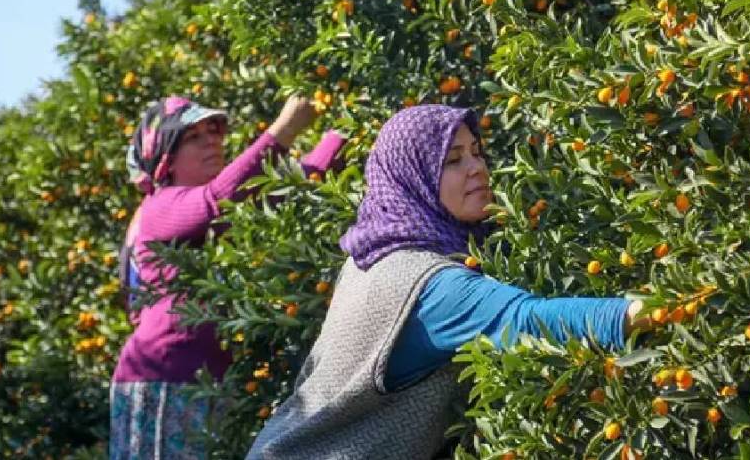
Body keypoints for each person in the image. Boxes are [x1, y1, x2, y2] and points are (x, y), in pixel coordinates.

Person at [246, 104, 648, 460]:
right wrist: (651, 310)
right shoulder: (430, 286)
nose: (476, 167)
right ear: (413, 176)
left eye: (476, 152)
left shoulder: (372, 252)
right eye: (452, 160)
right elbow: (526, 319)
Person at [110, 95, 344, 460]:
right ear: (165, 159)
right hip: (167, 381)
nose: (211, 141)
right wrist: (283, 130)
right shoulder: (161, 206)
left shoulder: (228, 207)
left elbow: (299, 181)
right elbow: (216, 199)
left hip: (217, 385)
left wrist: (344, 129)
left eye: (214, 131)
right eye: (193, 136)